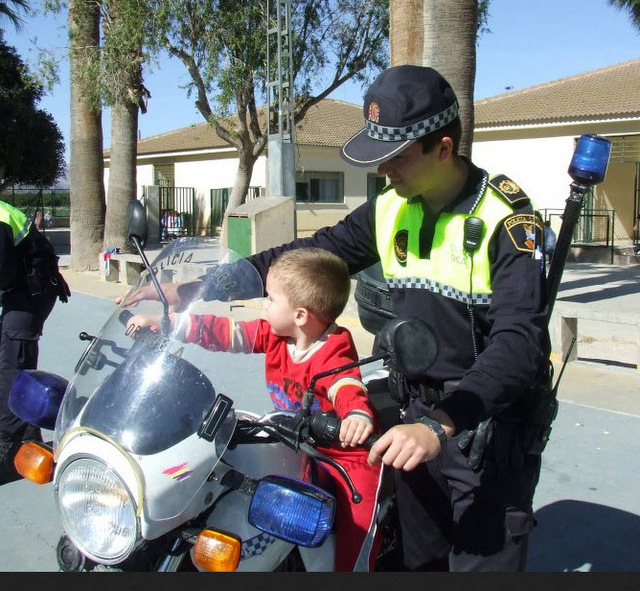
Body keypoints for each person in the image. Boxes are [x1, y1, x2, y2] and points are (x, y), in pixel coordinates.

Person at [120, 65, 550, 571]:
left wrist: (442, 424)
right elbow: (309, 257)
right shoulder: (391, 206)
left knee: (482, 561)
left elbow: (519, 342)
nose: (384, 170)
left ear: (444, 146)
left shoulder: (506, 219)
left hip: (481, 430)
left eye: (396, 157)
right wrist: (197, 289)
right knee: (419, 562)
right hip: (412, 420)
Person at [125, 247, 384, 572]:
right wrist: (169, 322)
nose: (264, 305)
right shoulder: (276, 334)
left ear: (300, 315)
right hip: (295, 441)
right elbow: (226, 333)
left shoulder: (334, 349)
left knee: (356, 529)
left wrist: (356, 414)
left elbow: (345, 384)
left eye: (271, 299)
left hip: (344, 455)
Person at [0, 199, 71, 485]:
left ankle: (14, 444)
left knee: (12, 364)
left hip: (30, 293)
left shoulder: (1, 217)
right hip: (17, 290)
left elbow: (1, 272)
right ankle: (21, 432)